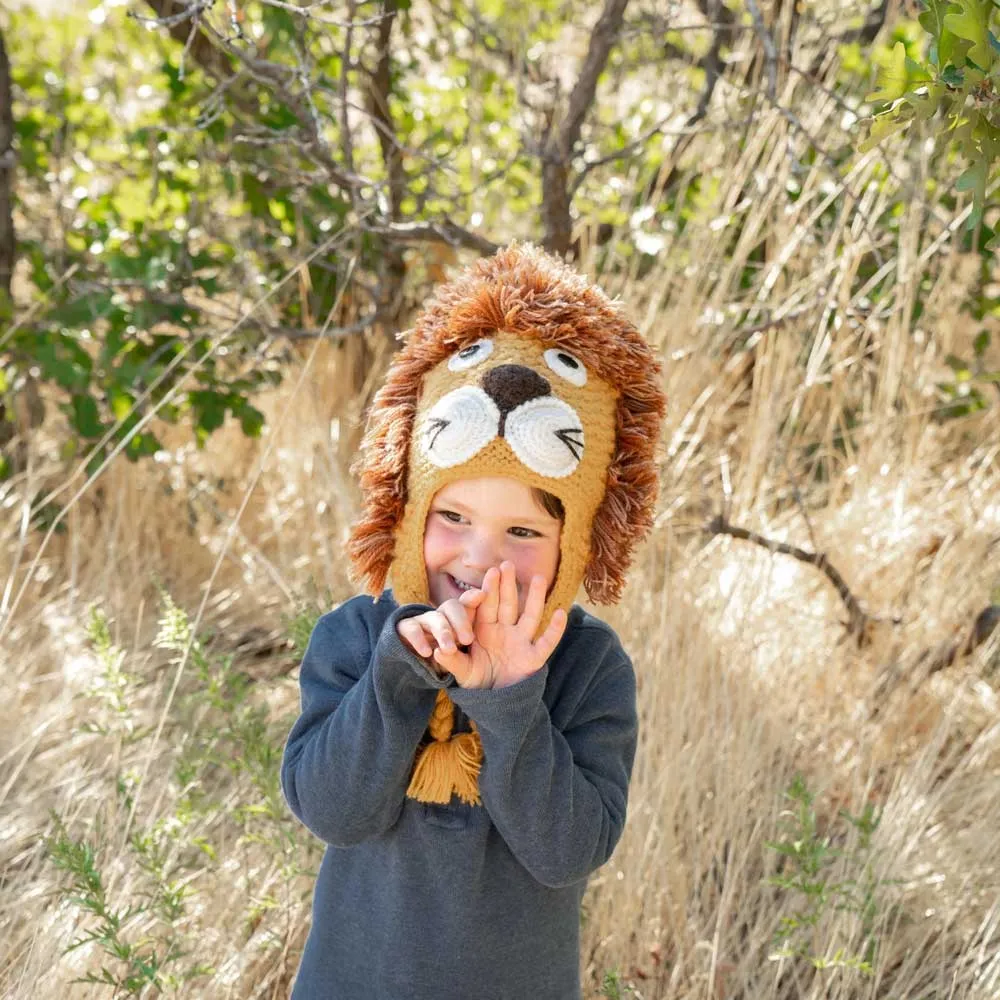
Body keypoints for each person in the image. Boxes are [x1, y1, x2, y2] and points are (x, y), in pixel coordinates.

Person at [280, 243, 666, 1000]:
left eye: (523, 533)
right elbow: (334, 812)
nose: (480, 558)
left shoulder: (588, 666)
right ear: (411, 510)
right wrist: (396, 675)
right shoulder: (358, 640)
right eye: (452, 516)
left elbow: (569, 852)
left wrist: (512, 697)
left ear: (576, 541)